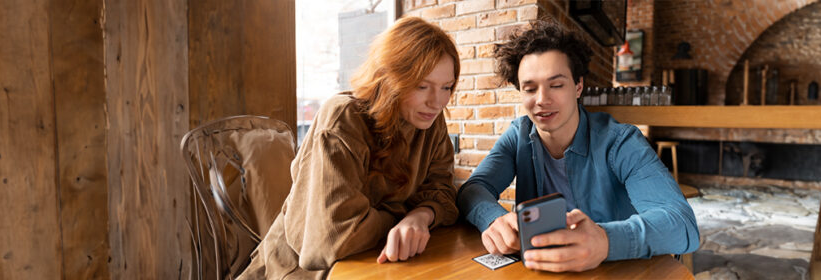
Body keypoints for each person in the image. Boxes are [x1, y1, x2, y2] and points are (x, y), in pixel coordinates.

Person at [456, 19, 700, 273]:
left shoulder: (620, 141)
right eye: (530, 89)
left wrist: (605, 241)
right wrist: (493, 220)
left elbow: (682, 224)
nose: (541, 100)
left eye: (556, 85)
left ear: (578, 86)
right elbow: (474, 189)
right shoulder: (518, 135)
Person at [238, 17, 460, 279]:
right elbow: (332, 239)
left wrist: (421, 215)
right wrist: (402, 216)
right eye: (422, 86)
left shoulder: (429, 121)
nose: (437, 102)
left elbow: (443, 190)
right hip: (298, 272)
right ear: (389, 78)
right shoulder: (343, 118)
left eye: (446, 87)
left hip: (378, 263)